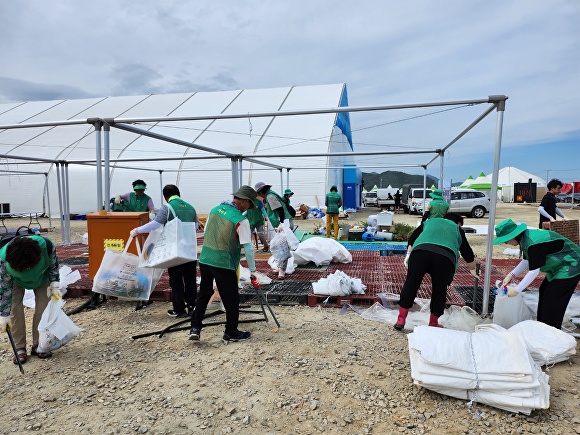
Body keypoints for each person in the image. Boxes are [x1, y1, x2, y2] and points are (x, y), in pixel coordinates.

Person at [189, 185, 262, 343]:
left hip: (206, 259)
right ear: (243, 201)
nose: (249, 207)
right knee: (231, 299)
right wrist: (253, 271)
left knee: (204, 293)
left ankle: (195, 327)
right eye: (249, 204)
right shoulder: (240, 220)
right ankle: (231, 332)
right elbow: (248, 248)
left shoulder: (215, 210)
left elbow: (207, 231)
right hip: (224, 263)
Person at [394, 213, 477, 330]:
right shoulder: (456, 228)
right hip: (444, 257)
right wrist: (473, 269)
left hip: (420, 253)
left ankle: (401, 320)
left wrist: (408, 255)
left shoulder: (430, 222)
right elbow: (467, 252)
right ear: (459, 224)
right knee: (440, 289)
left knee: (411, 283)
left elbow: (412, 238)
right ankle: (433, 323)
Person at [493, 218, 580, 329]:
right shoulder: (525, 238)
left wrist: (517, 290)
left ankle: (552, 331)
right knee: (544, 290)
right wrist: (511, 275)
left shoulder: (533, 242)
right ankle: (543, 326)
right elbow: (526, 261)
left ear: (512, 236)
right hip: (557, 268)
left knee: (553, 298)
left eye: (506, 240)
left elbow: (534, 271)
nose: (506, 243)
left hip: (571, 265)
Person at [130, 185, 198, 318]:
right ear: (179, 193)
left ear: (165, 197)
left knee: (176, 281)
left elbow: (155, 224)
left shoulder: (168, 207)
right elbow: (195, 226)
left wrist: (137, 231)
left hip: (175, 252)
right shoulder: (191, 208)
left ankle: (179, 310)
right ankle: (192, 307)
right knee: (190, 280)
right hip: (190, 250)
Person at [0, 235, 61, 364]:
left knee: (44, 309)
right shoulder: (3, 259)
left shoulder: (47, 247)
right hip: (15, 281)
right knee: (14, 309)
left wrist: (55, 285)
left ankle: (39, 345)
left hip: (42, 278)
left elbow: (54, 266)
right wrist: (4, 314)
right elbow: (5, 289)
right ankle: (19, 347)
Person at [254, 182, 294, 279]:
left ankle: (282, 271)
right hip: (283, 223)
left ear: (261, 192)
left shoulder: (270, 196)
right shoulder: (270, 195)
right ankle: (280, 267)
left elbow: (280, 210)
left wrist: (281, 224)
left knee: (283, 247)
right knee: (279, 246)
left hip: (283, 224)